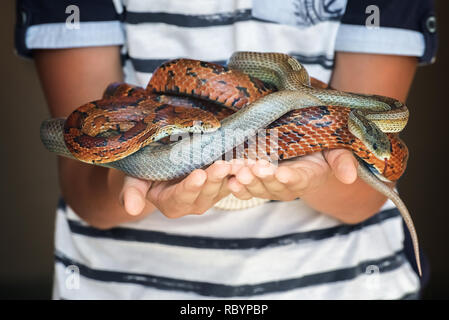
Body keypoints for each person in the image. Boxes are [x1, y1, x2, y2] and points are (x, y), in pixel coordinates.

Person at [15, 0, 437, 299]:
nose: (209, 126)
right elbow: (83, 178)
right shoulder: (151, 114)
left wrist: (315, 173)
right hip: (120, 286)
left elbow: (372, 179)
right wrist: (141, 172)